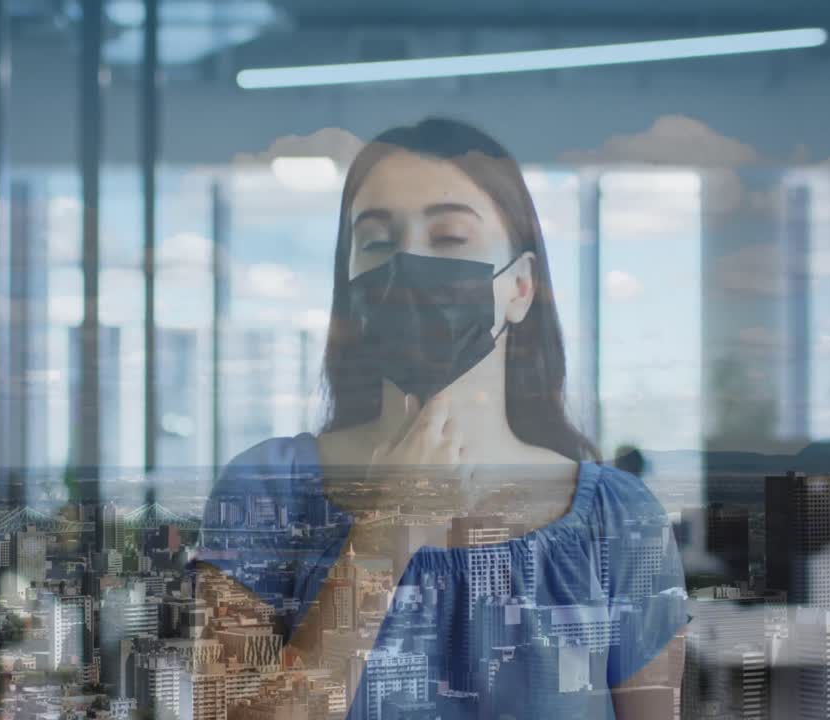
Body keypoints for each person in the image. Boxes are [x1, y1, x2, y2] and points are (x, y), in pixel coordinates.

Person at [191, 117, 688, 719]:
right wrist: (383, 539)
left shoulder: (618, 520)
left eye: (451, 237)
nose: (408, 266)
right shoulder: (268, 490)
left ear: (520, 288)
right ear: (349, 286)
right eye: (376, 241)